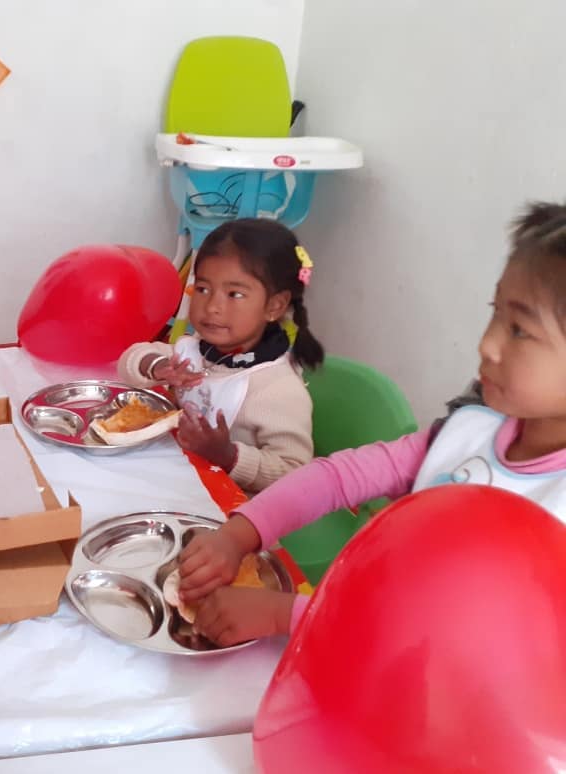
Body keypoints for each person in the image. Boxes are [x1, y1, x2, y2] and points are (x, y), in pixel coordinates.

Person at [179, 200, 566, 647]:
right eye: (495, 312)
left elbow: (463, 638)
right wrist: (239, 534)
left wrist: (287, 614)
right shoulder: (466, 432)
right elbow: (334, 477)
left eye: (519, 330)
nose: (487, 344)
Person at [117, 218, 324, 493]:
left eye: (234, 294)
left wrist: (228, 456)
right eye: (203, 289)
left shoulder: (278, 389)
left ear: (274, 306)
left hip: (234, 507)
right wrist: (158, 366)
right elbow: (130, 358)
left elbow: (294, 472)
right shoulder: (197, 349)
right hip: (181, 479)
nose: (212, 306)